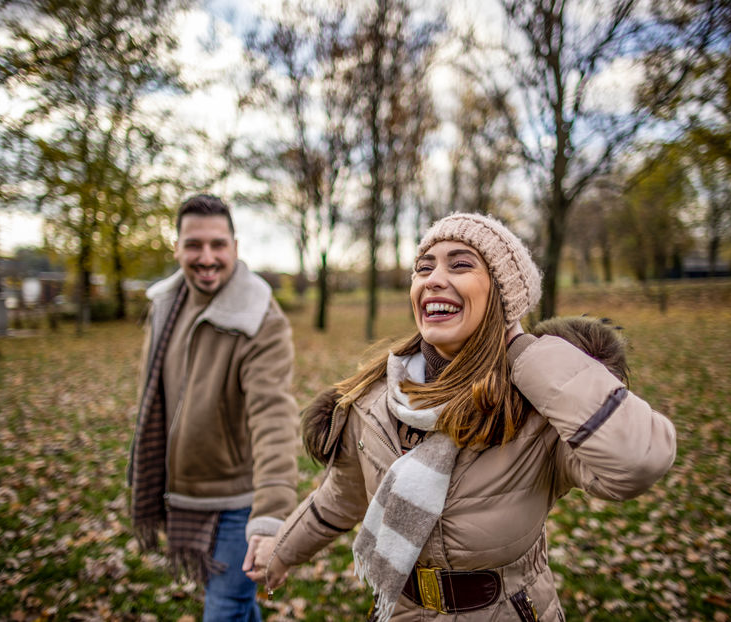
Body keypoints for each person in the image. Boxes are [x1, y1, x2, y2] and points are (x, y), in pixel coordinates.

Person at [244, 212, 676, 621]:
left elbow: (636, 464)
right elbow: (341, 496)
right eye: (424, 267)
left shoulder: (541, 406)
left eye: (460, 264)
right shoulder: (376, 399)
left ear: (503, 295)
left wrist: (526, 355)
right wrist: (282, 551)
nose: (434, 280)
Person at [128, 194, 299, 622]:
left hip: (240, 499)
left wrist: (271, 516)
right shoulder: (166, 305)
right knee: (236, 607)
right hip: (187, 490)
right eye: (194, 244)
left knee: (224, 609)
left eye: (217, 244)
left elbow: (274, 418)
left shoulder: (261, 318)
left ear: (235, 248)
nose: (206, 258)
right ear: (177, 248)